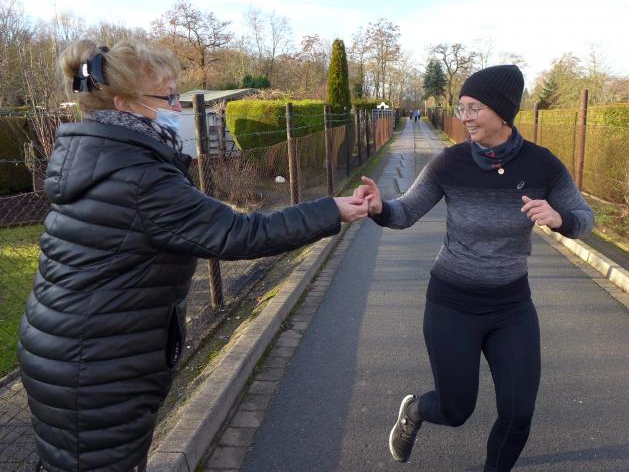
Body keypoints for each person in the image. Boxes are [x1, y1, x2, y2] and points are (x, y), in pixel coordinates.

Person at [17, 39, 370, 472]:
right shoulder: (140, 176)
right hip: (96, 367)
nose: (177, 108)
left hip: (71, 349)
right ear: (123, 103)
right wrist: (330, 209)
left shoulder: (100, 158)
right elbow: (238, 234)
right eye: (167, 98)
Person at [355, 65, 594, 471]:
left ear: (503, 111)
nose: (464, 117)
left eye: (474, 108)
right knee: (455, 409)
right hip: (452, 303)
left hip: (512, 307)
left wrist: (561, 219)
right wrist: (379, 208)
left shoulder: (542, 165)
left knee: (518, 414)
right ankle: (415, 410)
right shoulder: (450, 163)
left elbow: (584, 217)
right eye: (461, 107)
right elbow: (405, 212)